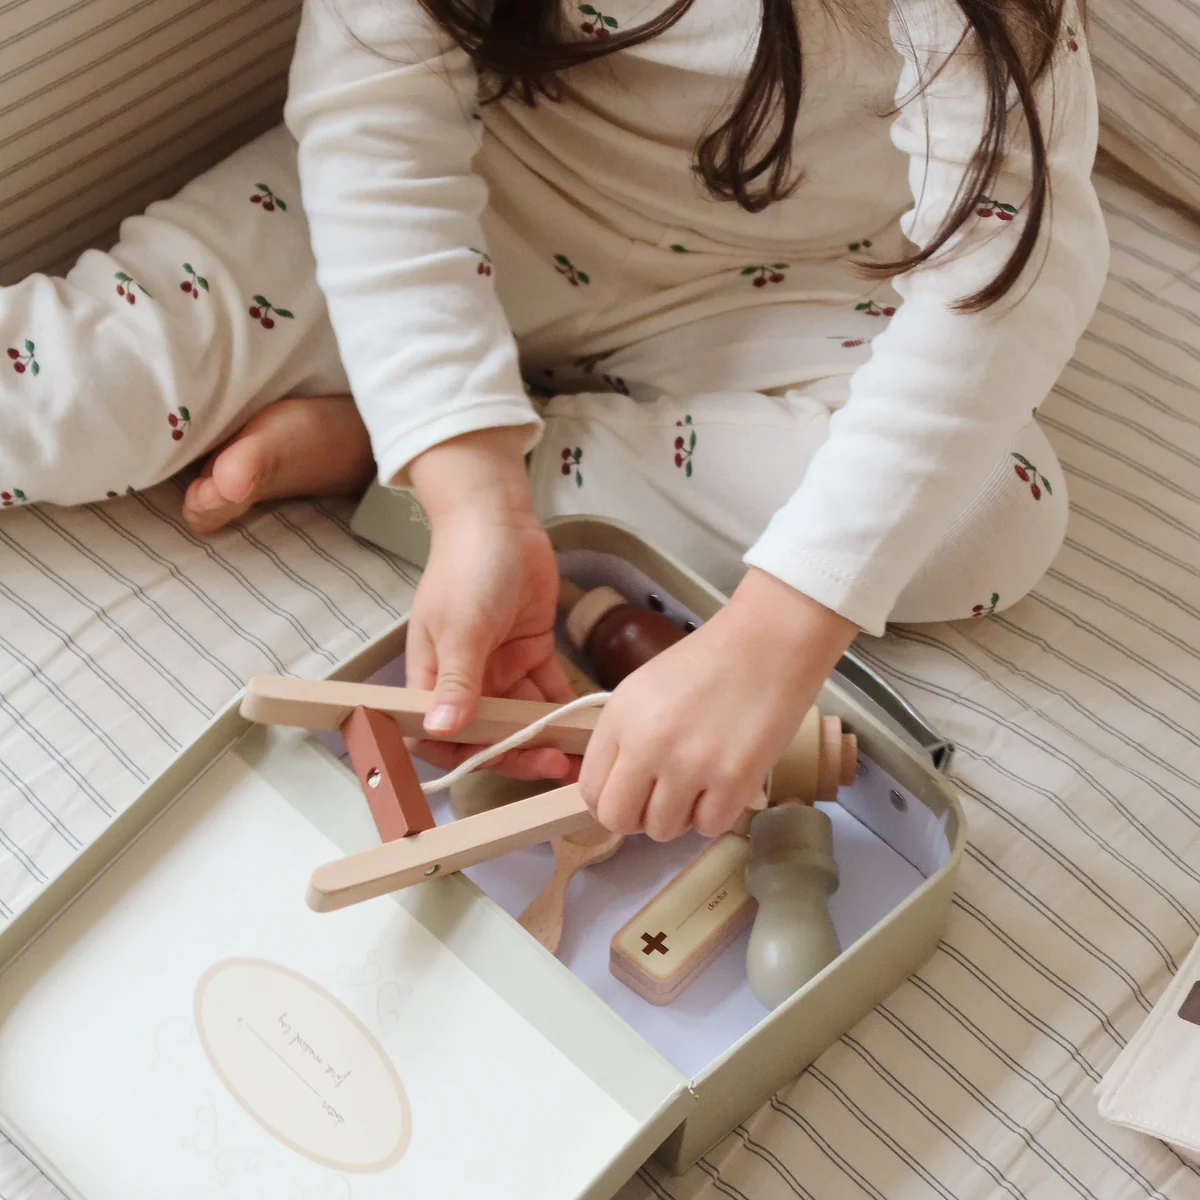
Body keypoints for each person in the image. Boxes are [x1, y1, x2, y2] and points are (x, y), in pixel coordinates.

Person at [0, 0, 1107, 840]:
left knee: (989, 510)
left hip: (789, 279)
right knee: (79, 387)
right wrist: (470, 501)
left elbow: (1007, 272)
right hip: (481, 192)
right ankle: (438, 430)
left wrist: (773, 641)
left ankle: (397, 443)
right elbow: (380, 126)